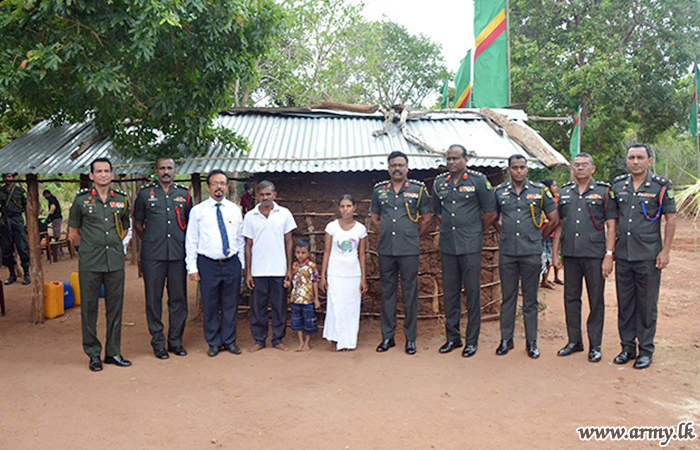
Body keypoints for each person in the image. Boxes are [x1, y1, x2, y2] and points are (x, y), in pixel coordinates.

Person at [611, 144, 676, 370]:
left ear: (649, 160)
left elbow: (670, 219)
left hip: (648, 256)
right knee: (625, 304)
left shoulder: (661, 186)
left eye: (640, 157)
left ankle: (645, 350)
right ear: (627, 161)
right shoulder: (618, 185)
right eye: (631, 158)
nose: (635, 161)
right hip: (624, 255)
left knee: (647, 305)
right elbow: (613, 221)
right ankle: (627, 347)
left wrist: (665, 251)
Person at [552, 153, 617, 362]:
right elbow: (560, 225)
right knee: (571, 299)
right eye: (576, 165)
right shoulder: (565, 192)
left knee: (596, 300)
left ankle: (595, 345)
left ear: (593, 168)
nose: (580, 168)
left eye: (584, 165)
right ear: (572, 168)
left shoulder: (604, 192)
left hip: (594, 256)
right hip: (570, 254)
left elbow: (611, 225)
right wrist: (555, 252)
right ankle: (574, 341)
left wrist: (609, 255)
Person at [433, 145, 497, 357]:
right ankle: (453, 338)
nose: (451, 162)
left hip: (470, 245)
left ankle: (472, 340)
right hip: (449, 246)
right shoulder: (439, 182)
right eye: (448, 159)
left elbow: (490, 212)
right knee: (450, 293)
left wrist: (475, 231)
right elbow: (439, 212)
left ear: (466, 159)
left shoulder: (478, 181)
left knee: (472, 293)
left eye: (455, 158)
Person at [68, 158, 131, 372]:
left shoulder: (121, 200)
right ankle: (93, 353)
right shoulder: (81, 201)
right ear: (92, 176)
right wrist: (90, 246)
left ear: (112, 175)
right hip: (90, 262)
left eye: (107, 171)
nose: (103, 174)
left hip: (114, 260)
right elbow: (73, 233)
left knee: (115, 308)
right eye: (99, 171)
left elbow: (123, 229)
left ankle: (113, 352)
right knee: (89, 308)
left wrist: (112, 244)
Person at [493, 154, 559, 358]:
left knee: (530, 300)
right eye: (515, 167)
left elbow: (554, 218)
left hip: (531, 252)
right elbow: (493, 217)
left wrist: (538, 238)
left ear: (527, 169)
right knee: (508, 298)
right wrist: (503, 232)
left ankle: (531, 342)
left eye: (522, 167)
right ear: (508, 170)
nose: (519, 171)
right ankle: (506, 340)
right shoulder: (500, 192)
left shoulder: (539, 191)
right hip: (508, 253)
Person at [370, 151, 432, 355]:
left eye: (401, 165)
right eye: (393, 165)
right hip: (387, 249)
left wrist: (412, 236)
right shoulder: (380, 190)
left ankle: (410, 339)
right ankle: (387, 337)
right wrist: (388, 234)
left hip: (409, 250)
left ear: (407, 167)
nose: (397, 168)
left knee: (409, 294)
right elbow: (375, 219)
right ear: (388, 168)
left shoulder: (418, 189)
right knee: (387, 293)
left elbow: (426, 218)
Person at [133, 157, 192, 359]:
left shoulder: (184, 194)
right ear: (156, 171)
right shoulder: (144, 194)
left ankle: (175, 341)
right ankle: (158, 342)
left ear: (175, 171)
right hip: (153, 257)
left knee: (178, 299)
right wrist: (151, 240)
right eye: (162, 168)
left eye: (169, 168)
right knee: (153, 299)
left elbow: (190, 224)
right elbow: (138, 224)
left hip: (177, 254)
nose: (166, 171)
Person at [185, 169, 245, 357]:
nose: (219, 187)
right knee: (210, 304)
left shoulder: (235, 210)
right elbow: (191, 240)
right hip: (208, 264)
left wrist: (241, 265)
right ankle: (213, 342)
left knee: (230, 303)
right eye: (214, 183)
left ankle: (229, 341)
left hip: (231, 263)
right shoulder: (198, 211)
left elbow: (240, 239)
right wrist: (192, 267)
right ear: (208, 187)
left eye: (222, 183)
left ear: (227, 186)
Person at [243, 180, 297, 352]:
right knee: (257, 307)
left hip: (279, 269)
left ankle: (278, 339)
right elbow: (248, 245)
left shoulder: (284, 213)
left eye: (268, 194)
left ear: (275, 195)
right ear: (256, 195)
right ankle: (259, 340)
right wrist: (249, 272)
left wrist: (289, 268)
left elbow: (289, 241)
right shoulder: (250, 216)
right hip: (258, 271)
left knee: (279, 306)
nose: (265, 198)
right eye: (262, 194)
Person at [320, 194, 368, 351]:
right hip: (335, 273)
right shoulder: (331, 227)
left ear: (354, 207)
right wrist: (323, 276)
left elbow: (361, 254)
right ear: (338, 208)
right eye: (342, 206)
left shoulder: (361, 229)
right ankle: (334, 338)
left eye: (348, 206)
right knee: (335, 306)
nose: (345, 209)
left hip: (353, 275)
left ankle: (348, 341)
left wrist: (363, 278)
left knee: (351, 308)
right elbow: (326, 252)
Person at [288, 239, 320, 352]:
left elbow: (315, 282)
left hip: (308, 299)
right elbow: (292, 279)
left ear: (309, 253)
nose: (300, 255)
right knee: (297, 321)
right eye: (297, 252)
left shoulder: (312, 266)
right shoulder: (294, 265)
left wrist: (316, 299)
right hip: (296, 299)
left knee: (309, 321)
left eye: (303, 253)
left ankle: (307, 342)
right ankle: (301, 342)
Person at [0, 173, 31, 285]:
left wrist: (28, 222)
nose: (7, 179)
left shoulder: (20, 191)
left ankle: (26, 274)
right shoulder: (1, 191)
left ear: (13, 178)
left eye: (9, 176)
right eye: (5, 177)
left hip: (17, 220)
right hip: (4, 221)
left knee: (22, 248)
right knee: (6, 250)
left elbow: (26, 207)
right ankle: (12, 274)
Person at [539, 179, 562, 289]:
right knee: (546, 257)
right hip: (546, 232)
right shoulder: (543, 198)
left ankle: (555, 277)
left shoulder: (557, 197)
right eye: (553, 185)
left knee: (555, 254)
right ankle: (544, 280)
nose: (555, 187)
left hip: (555, 233)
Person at [43, 189, 63, 261]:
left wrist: (49, 216)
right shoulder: (52, 198)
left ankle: (57, 250)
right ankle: (57, 250)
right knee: (55, 232)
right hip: (56, 218)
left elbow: (53, 208)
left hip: (56, 218)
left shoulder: (51, 199)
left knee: (56, 233)